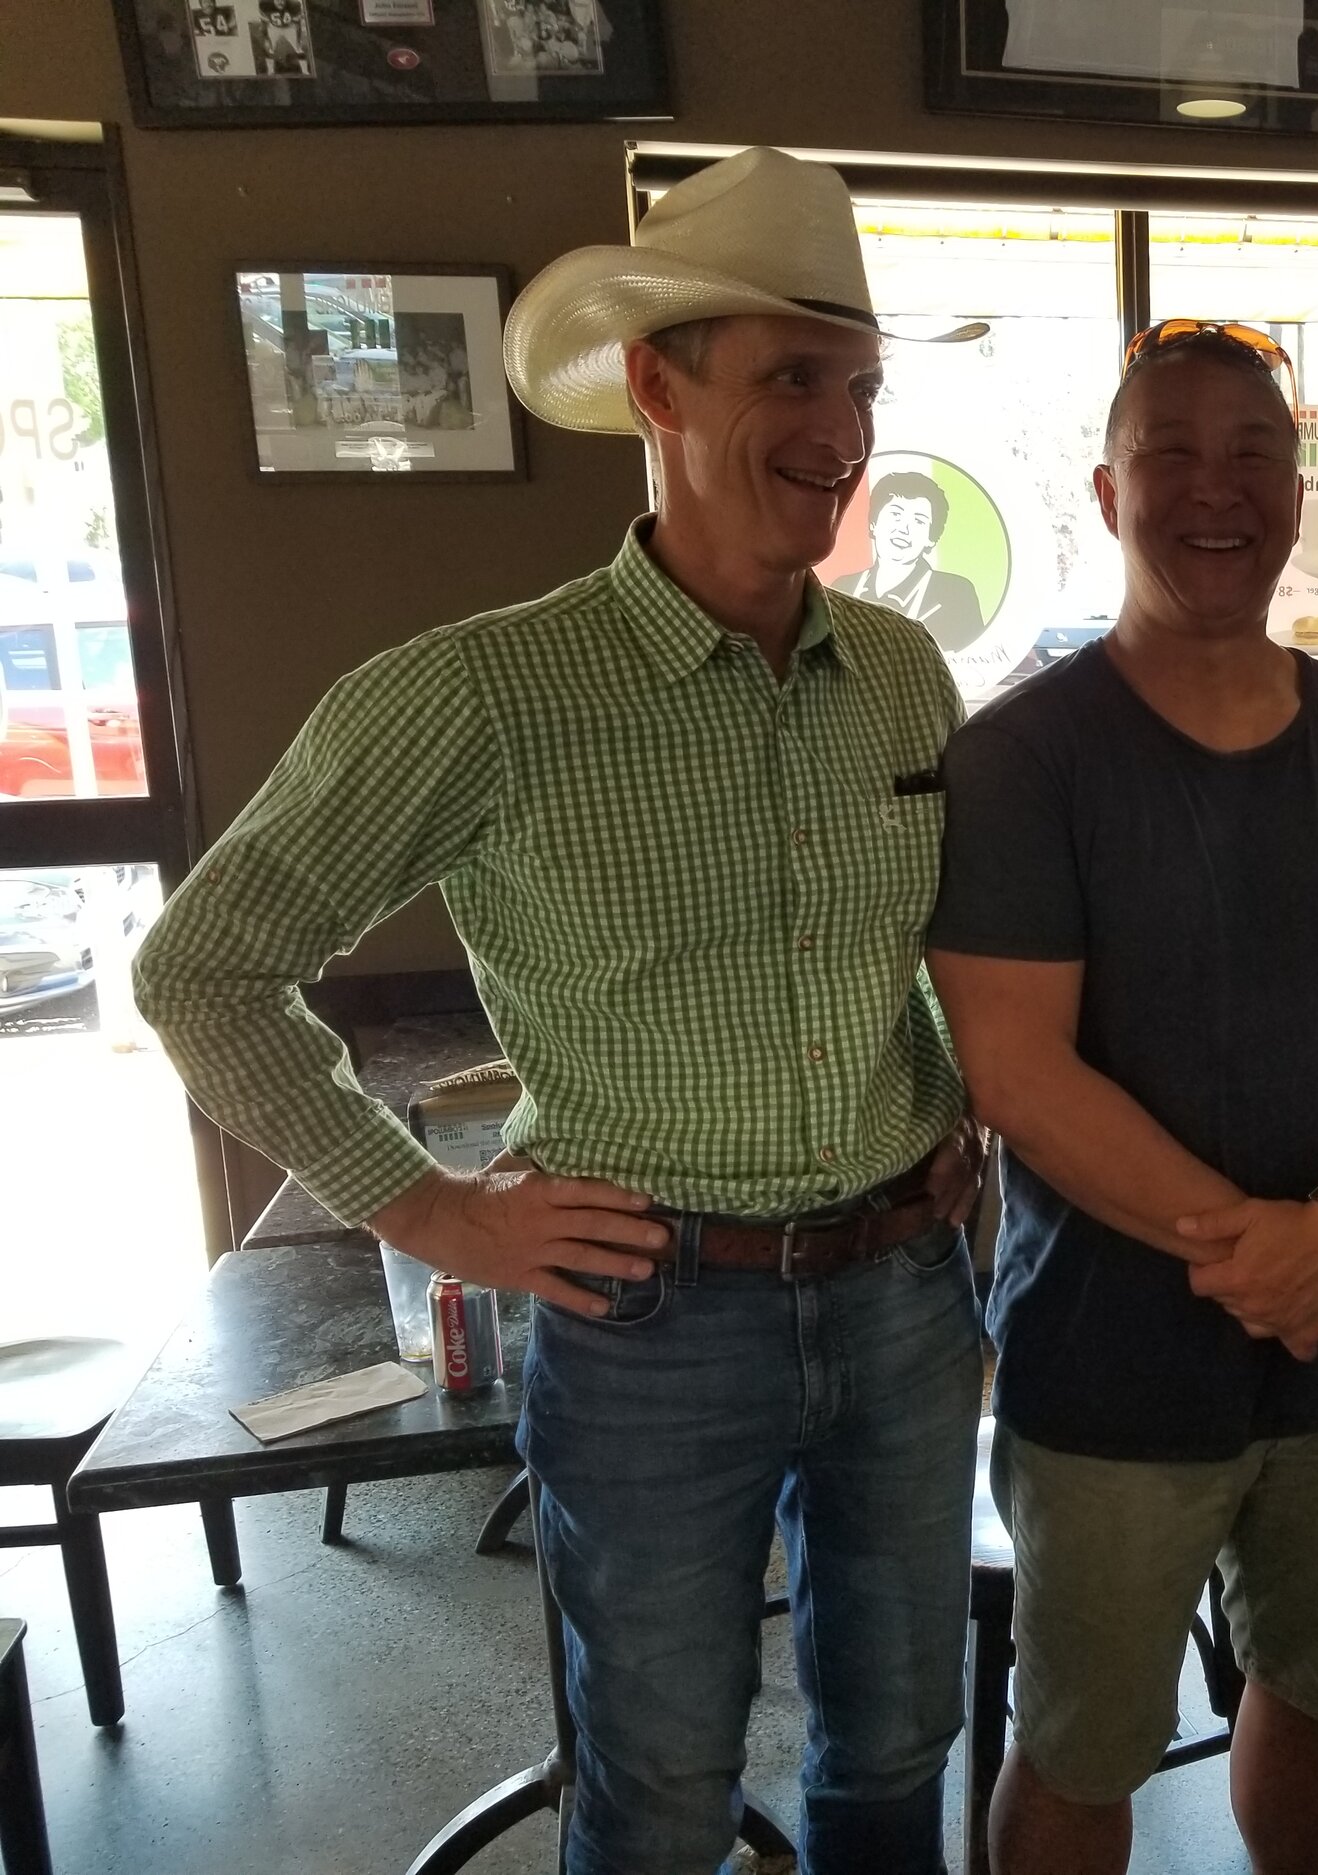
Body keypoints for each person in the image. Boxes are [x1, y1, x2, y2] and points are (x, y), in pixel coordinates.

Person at [133, 147, 990, 1875]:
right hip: (653, 1317)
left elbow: (925, 943)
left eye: (860, 383)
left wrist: (960, 1099)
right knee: (663, 1785)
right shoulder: (482, 694)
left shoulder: (897, 668)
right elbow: (202, 965)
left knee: (901, 1739)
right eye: (791, 376)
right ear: (658, 387)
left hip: (906, 1289)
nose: (838, 426)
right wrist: (433, 1209)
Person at [924, 321, 1318, 1875]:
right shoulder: (1023, 757)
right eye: (1171, 452)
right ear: (1108, 490)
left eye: (1253, 453)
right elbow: (1016, 1067)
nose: (1213, 488)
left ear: (1298, 492)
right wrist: (1268, 1250)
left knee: (1317, 1690)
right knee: (1080, 1742)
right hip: (1107, 1365)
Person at [835, 468, 988, 651]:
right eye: (896, 515)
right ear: (873, 523)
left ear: (931, 538)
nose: (903, 529)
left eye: (919, 521)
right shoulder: (843, 587)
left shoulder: (956, 594)